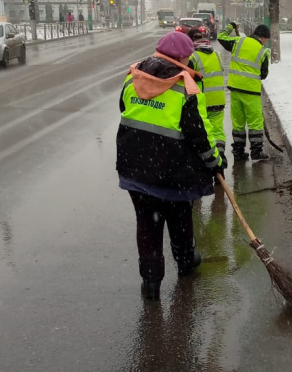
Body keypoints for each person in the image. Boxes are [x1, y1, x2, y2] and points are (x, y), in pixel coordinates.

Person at [116, 31, 224, 301]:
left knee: (148, 225)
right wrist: (215, 163)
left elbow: (125, 110)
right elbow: (199, 134)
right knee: (179, 218)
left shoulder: (133, 76)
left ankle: (151, 283)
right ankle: (186, 263)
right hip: (172, 171)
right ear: (184, 57)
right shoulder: (186, 87)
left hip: (135, 168)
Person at [217, 21, 271, 161]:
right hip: (251, 92)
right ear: (263, 37)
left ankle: (239, 152)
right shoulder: (263, 51)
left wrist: (230, 26)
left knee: (238, 123)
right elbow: (263, 74)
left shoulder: (238, 41)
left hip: (235, 90)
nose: (266, 43)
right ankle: (256, 152)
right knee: (255, 123)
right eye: (266, 40)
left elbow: (221, 37)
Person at [187, 26, 226, 169]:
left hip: (202, 102)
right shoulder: (216, 54)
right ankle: (221, 156)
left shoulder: (192, 57)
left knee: (204, 132)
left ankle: (208, 162)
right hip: (218, 100)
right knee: (217, 130)